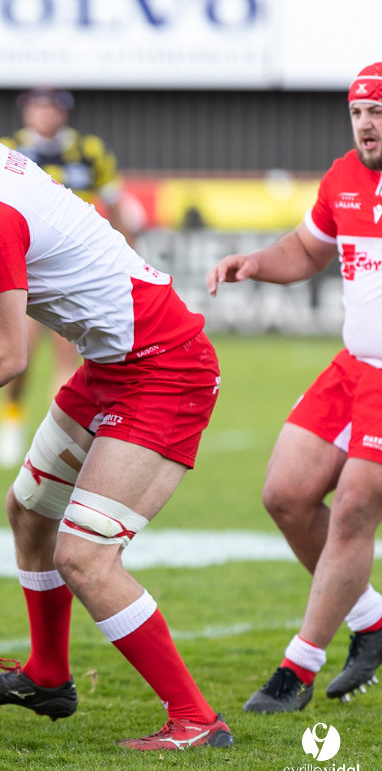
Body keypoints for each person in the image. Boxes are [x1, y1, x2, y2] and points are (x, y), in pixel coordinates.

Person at [0, 91, 232, 750]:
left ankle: (195, 721)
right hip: (112, 365)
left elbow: (5, 352)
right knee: (28, 511)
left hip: (165, 368)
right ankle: (49, 675)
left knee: (85, 556)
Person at [208, 62, 382, 714]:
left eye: (378, 113)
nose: (366, 124)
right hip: (353, 367)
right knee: (284, 494)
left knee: (356, 507)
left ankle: (297, 668)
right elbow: (308, 250)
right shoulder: (343, 177)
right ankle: (372, 618)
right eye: (359, 113)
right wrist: (256, 262)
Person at [0, 87, 138, 469]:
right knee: (19, 353)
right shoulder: (8, 150)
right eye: (36, 107)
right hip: (27, 267)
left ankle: (54, 437)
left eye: (50, 107)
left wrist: (130, 256)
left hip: (76, 269)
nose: (43, 114)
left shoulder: (90, 151)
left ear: (63, 113)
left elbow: (116, 207)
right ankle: (11, 418)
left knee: (66, 356)